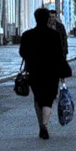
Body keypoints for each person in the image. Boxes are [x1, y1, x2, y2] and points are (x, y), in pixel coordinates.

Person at [19, 7, 69, 140]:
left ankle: (40, 124)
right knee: (49, 98)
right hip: (51, 71)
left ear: (35, 18)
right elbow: (59, 54)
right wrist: (63, 72)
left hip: (34, 71)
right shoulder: (54, 35)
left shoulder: (27, 35)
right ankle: (45, 125)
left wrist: (32, 58)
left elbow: (22, 52)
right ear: (47, 18)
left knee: (38, 97)